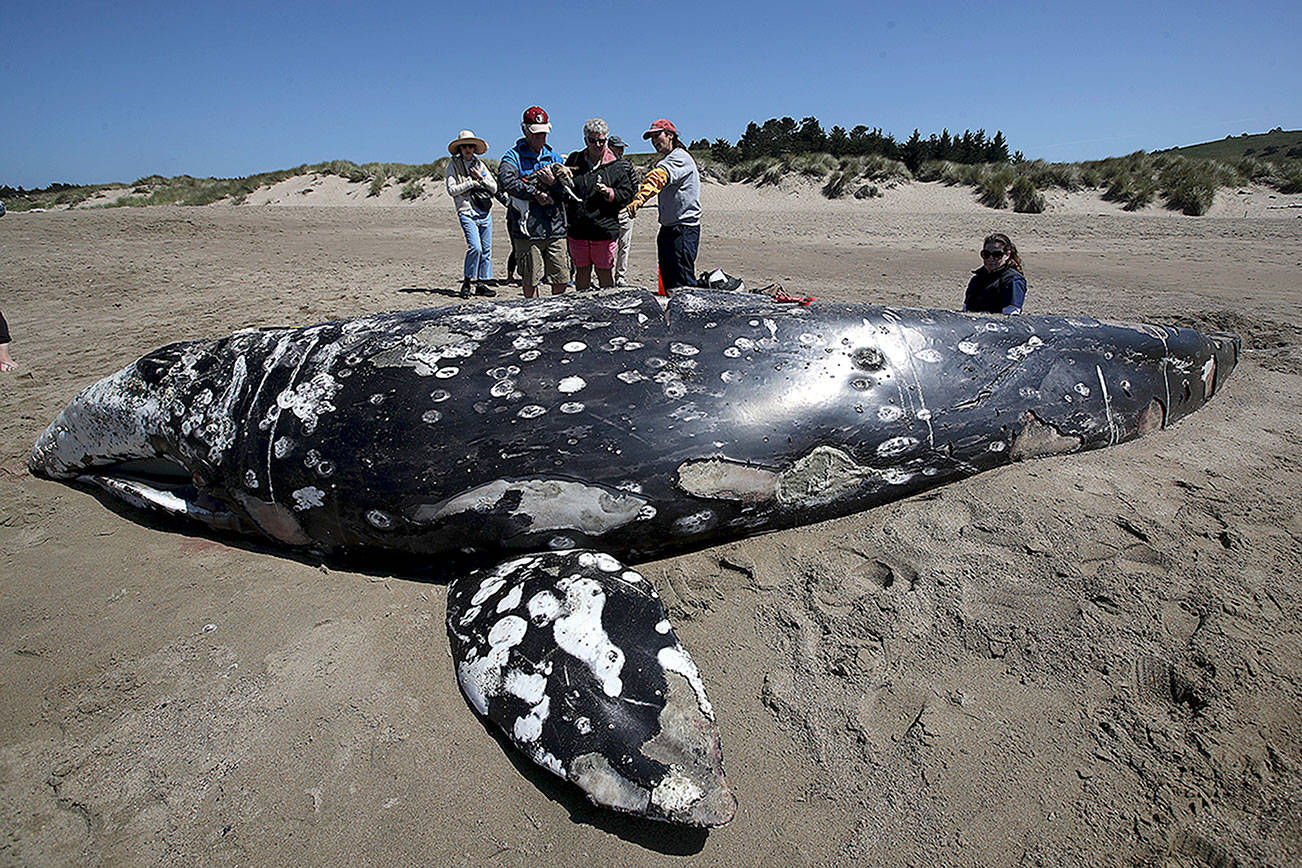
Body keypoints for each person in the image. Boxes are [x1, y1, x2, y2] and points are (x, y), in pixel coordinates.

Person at [497, 106, 569, 298]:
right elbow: (506, 181)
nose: (541, 138)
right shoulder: (513, 157)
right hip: (527, 232)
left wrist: (553, 184)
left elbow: (568, 190)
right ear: (525, 130)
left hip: (555, 228)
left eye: (544, 134)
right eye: (537, 134)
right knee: (530, 279)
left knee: (561, 277)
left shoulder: (553, 157)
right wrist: (535, 193)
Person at [624, 119, 701, 294]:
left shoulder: (679, 157)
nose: (654, 141)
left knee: (682, 284)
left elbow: (659, 176)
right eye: (651, 137)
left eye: (657, 135)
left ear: (670, 135)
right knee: (669, 281)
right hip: (669, 229)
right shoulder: (671, 158)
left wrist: (640, 198)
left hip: (682, 229)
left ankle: (687, 319)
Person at [563, 119, 635, 292]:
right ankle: (583, 310)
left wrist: (609, 193)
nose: (597, 144)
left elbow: (627, 195)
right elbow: (565, 187)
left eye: (601, 141)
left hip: (604, 229)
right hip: (578, 229)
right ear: (585, 140)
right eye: (592, 140)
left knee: (604, 272)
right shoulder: (575, 159)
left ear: (606, 140)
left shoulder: (617, 165)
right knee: (582, 271)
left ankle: (609, 312)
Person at [445, 130, 499, 299]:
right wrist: (470, 183)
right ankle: (467, 282)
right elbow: (451, 190)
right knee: (475, 247)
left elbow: (494, 187)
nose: (468, 149)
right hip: (466, 211)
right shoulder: (453, 166)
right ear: (460, 148)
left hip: (484, 211)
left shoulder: (480, 165)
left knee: (486, 249)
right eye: (465, 146)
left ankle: (482, 283)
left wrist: (480, 180)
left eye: (471, 146)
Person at [963, 233, 1027, 314]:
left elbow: (1011, 315)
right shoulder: (976, 279)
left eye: (997, 255)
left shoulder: (1012, 280)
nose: (991, 259)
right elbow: (965, 310)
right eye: (986, 254)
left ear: (1007, 255)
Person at [607, 135, 636, 285]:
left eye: (622, 148)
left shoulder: (627, 166)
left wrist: (631, 205)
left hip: (625, 211)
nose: (620, 151)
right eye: (618, 147)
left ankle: (620, 276)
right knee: (608, 245)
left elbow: (634, 187)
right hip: (608, 212)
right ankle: (608, 275)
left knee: (624, 245)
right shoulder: (604, 165)